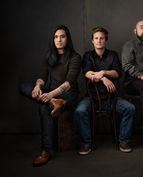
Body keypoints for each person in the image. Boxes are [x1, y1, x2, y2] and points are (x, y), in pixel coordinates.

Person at [19, 25, 82, 166]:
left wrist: (50, 95)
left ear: (68, 39)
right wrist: (37, 87)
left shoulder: (75, 57)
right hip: (50, 93)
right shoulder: (49, 56)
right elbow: (42, 77)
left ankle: (46, 151)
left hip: (68, 95)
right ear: (53, 39)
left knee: (43, 108)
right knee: (23, 86)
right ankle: (54, 102)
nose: (59, 39)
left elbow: (68, 83)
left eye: (62, 36)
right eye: (56, 37)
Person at [74, 26, 135, 155]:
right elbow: (87, 73)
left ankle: (123, 141)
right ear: (92, 40)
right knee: (80, 110)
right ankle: (86, 143)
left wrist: (103, 72)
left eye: (102, 38)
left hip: (111, 98)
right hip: (92, 99)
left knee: (130, 108)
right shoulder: (88, 56)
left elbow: (117, 73)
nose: (99, 40)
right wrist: (103, 79)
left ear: (105, 40)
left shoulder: (112, 55)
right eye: (96, 38)